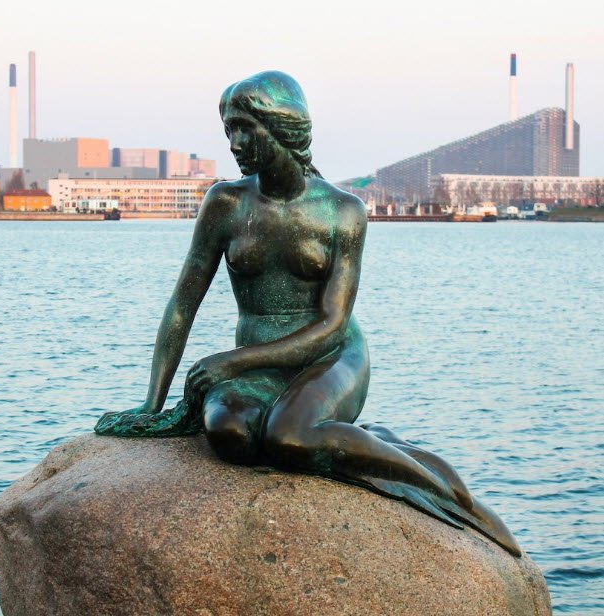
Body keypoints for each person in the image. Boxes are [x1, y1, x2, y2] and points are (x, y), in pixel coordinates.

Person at [95, 71, 519, 555]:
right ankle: (352, 439)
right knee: (228, 433)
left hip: (331, 357)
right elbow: (181, 305)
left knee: (289, 437)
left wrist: (231, 363)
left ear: (284, 129)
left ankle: (443, 489)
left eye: (245, 128)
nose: (234, 142)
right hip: (260, 364)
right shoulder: (225, 203)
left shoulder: (342, 211)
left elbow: (332, 325)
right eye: (228, 129)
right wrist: (153, 403)